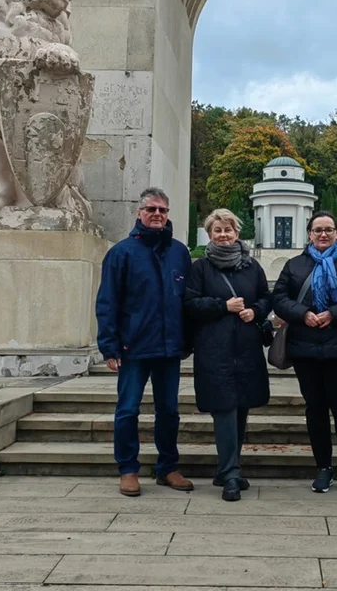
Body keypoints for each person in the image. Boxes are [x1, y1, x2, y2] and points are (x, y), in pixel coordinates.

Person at [95, 187, 195, 497]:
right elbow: (107, 301)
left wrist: (187, 340)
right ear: (139, 213)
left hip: (168, 348)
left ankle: (168, 468)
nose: (157, 215)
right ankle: (128, 469)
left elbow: (188, 301)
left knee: (169, 411)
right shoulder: (121, 252)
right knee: (127, 410)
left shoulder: (180, 252)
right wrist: (109, 345)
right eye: (151, 209)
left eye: (162, 210)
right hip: (133, 348)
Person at [272, 211, 337, 494]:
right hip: (306, 347)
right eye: (317, 230)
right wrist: (303, 313)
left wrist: (335, 313)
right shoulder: (295, 265)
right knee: (315, 409)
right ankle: (323, 467)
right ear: (309, 234)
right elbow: (279, 298)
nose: (323, 234)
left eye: (328, 229)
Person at [183, 209, 271, 502]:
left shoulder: (252, 266)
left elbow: (264, 298)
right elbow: (190, 303)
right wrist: (224, 306)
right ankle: (232, 473)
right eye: (217, 230)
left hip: (246, 348)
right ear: (209, 235)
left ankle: (225, 469)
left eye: (228, 229)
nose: (223, 234)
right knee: (225, 410)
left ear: (237, 233)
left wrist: (255, 311)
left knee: (241, 407)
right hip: (214, 350)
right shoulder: (201, 268)